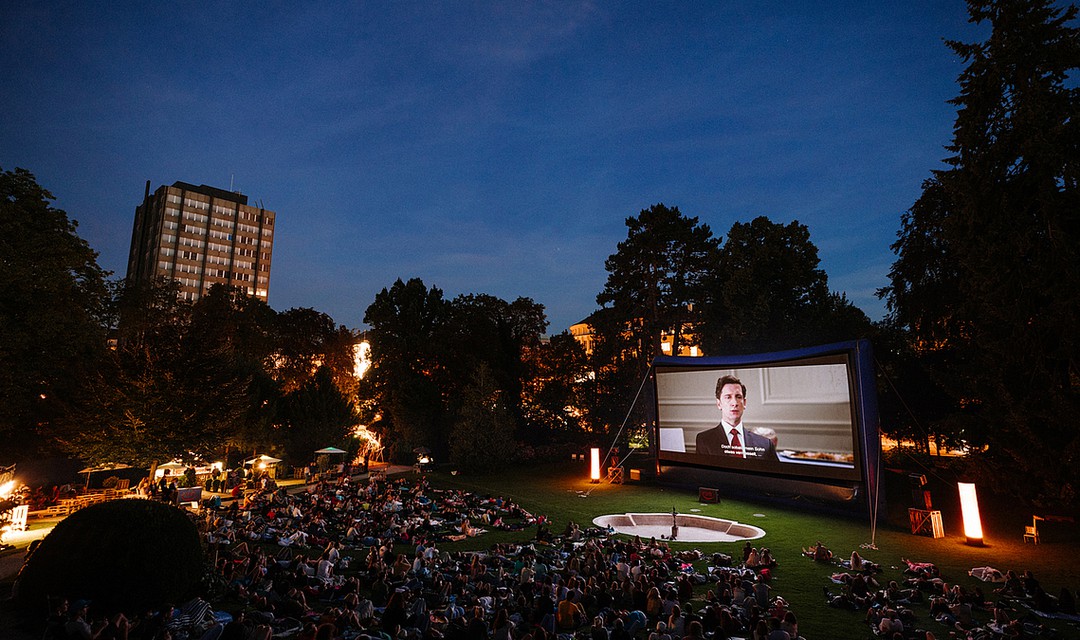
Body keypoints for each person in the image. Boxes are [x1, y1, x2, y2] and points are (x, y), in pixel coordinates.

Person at [695, 376, 778, 461]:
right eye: (728, 397)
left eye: (738, 397)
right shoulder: (704, 440)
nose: (734, 403)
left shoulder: (765, 444)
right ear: (719, 404)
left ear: (744, 403)